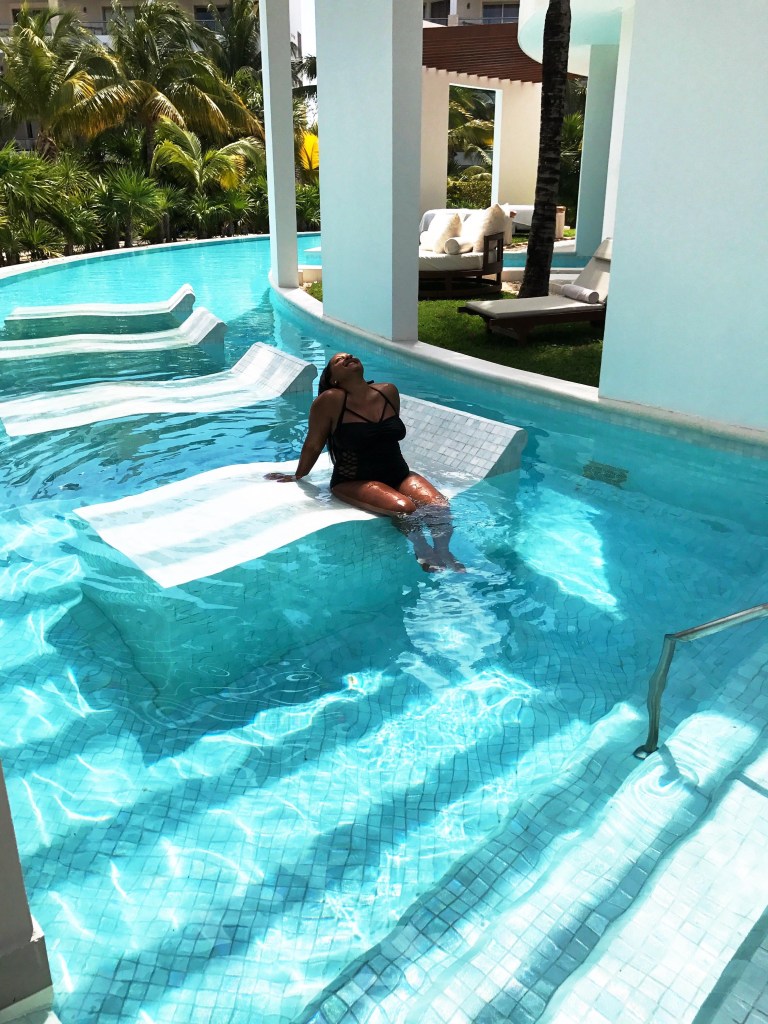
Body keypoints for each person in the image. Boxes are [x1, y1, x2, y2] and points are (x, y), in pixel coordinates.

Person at [266, 351, 464, 572]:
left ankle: (444, 551)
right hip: (354, 479)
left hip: (400, 473)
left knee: (439, 506)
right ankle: (422, 549)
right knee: (405, 508)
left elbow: (385, 434)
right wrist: (298, 474)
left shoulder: (389, 391)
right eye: (339, 361)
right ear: (334, 379)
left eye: (349, 355)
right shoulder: (329, 401)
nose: (348, 357)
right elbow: (314, 444)